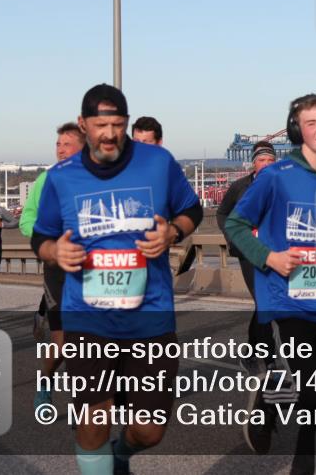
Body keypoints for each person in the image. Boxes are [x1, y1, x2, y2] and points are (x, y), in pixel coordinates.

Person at [32, 84, 201, 475]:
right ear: (83, 124)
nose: (109, 134)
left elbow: (192, 207)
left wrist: (173, 232)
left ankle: (121, 452)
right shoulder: (61, 177)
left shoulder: (157, 162)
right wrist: (55, 252)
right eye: (100, 124)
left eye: (118, 124)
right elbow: (39, 236)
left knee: (150, 431)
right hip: (86, 318)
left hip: (151, 316)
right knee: (94, 418)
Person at [225, 93, 316, 473]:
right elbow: (235, 225)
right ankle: (303, 464)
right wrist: (268, 257)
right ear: (297, 131)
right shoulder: (276, 176)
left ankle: (267, 407)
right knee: (313, 385)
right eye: (311, 123)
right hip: (289, 298)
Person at [22, 121, 86, 408]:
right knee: (63, 343)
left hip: (94, 268)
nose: (60, 149)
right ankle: (45, 381)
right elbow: (26, 220)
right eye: (58, 144)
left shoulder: (99, 178)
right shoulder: (45, 181)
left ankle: (83, 398)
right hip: (58, 267)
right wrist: (50, 238)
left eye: (67, 144)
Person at [216, 140, 278, 374]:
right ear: (254, 164)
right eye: (262, 160)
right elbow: (222, 213)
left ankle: (250, 353)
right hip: (247, 251)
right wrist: (231, 235)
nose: (266, 164)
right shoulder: (240, 187)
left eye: (271, 160)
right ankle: (269, 360)